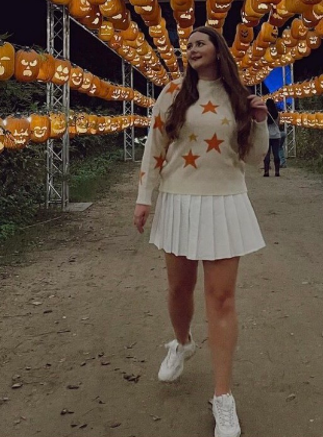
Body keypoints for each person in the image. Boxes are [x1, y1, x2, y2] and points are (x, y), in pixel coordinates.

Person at [133, 27, 270, 437]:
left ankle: (223, 398)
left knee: (222, 299)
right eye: (188, 44)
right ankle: (182, 342)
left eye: (200, 43)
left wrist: (260, 120)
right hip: (178, 198)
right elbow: (154, 145)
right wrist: (145, 197)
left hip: (225, 200)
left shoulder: (238, 95)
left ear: (217, 50)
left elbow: (256, 155)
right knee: (179, 290)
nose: (191, 48)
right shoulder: (173, 91)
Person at [264, 99, 283, 177]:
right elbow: (278, 124)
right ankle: (277, 171)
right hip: (276, 135)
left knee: (266, 154)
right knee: (276, 153)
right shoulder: (277, 114)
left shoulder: (265, 114)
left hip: (267, 135)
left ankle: (266, 171)